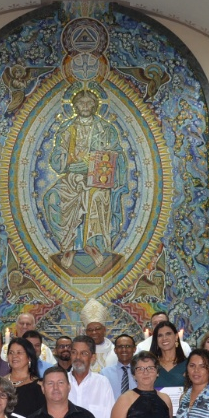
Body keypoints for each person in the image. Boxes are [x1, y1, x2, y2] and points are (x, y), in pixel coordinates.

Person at [47, 89, 124, 269]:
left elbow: (117, 154)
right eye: (81, 103)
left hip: (97, 178)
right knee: (52, 198)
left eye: (89, 103)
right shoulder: (66, 129)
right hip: (72, 177)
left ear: (96, 106)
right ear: (74, 106)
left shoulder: (106, 129)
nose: (85, 106)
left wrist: (99, 159)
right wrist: (71, 159)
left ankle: (92, 245)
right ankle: (69, 246)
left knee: (96, 196)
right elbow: (57, 159)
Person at [6, 337, 45, 417]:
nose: (14, 356)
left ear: (29, 357)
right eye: (11, 352)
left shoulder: (40, 386)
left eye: (19, 352)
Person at [82, 300, 117, 372]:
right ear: (86, 332)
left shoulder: (114, 351)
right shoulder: (81, 352)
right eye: (90, 330)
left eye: (97, 329)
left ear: (104, 330)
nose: (94, 332)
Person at [151, 321, 188, 388]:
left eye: (168, 334)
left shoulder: (188, 364)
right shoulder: (151, 365)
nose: (164, 338)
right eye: (160, 335)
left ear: (176, 336)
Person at [101, 334, 136, 400]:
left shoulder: (141, 371)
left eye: (128, 346)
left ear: (134, 349)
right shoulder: (105, 373)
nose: (124, 349)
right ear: (115, 350)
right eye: (120, 346)